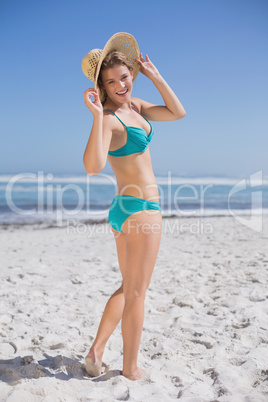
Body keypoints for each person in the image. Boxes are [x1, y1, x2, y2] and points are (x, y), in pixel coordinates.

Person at [81, 32, 186, 381]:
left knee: (128, 287)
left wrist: (155, 75)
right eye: (110, 82)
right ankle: (130, 368)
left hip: (123, 209)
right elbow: (93, 167)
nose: (119, 85)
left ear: (131, 74)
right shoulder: (110, 118)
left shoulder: (138, 106)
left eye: (123, 77)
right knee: (138, 292)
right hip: (140, 209)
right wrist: (97, 116)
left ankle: (96, 351)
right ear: (103, 87)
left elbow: (177, 112)